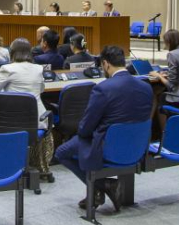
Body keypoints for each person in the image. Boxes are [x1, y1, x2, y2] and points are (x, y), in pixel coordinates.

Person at [55, 45, 154, 212]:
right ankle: (101, 188)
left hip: (108, 148)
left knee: (61, 152)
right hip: (137, 148)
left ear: (106, 64)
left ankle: (102, 185)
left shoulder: (103, 88)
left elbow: (85, 129)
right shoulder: (146, 87)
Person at [0, 38, 52, 177]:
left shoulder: (7, 69)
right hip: (36, 121)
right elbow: (41, 90)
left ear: (12, 52)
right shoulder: (38, 68)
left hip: (11, 122)